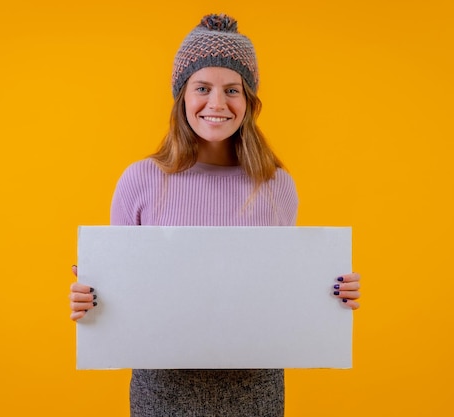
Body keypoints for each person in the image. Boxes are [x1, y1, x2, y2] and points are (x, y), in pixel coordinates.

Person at [69, 13, 361, 416]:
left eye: (233, 90)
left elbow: (278, 288)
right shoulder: (139, 180)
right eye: (202, 87)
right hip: (162, 391)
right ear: (182, 97)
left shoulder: (276, 185)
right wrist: (93, 297)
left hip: (255, 389)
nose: (217, 104)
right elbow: (122, 292)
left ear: (250, 101)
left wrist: (329, 293)